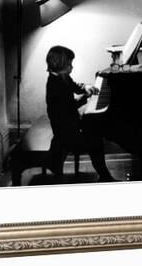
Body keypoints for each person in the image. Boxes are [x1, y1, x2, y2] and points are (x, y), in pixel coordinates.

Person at [45, 45, 116, 182]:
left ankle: (104, 175)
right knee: (95, 141)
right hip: (64, 133)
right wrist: (86, 98)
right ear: (59, 64)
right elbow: (70, 107)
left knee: (93, 131)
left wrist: (86, 88)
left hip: (68, 124)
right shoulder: (55, 84)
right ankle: (105, 176)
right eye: (69, 64)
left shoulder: (62, 77)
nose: (72, 67)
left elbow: (75, 87)